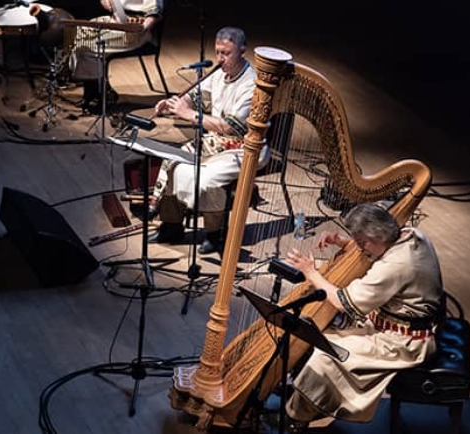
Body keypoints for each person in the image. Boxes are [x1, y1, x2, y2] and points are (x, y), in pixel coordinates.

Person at [281, 202, 444, 431]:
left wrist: (311, 273)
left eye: (359, 241)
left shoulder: (395, 265)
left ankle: (296, 418)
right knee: (313, 331)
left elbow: (342, 302)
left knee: (326, 355)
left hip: (403, 342)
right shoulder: (412, 234)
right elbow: (375, 251)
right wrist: (342, 242)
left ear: (373, 238)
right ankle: (307, 395)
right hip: (389, 324)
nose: (357, 246)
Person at [147, 26, 270, 254]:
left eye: (226, 53)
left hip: (244, 148)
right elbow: (194, 96)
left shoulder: (251, 85)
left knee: (207, 179)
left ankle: (215, 234)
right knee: (173, 161)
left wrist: (189, 114)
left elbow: (230, 126)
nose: (220, 58)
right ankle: (171, 226)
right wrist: (174, 104)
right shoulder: (219, 73)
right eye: (218, 52)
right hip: (218, 141)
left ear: (242, 51)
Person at [70, 0, 164, 114]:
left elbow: (155, 12)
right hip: (115, 21)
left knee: (89, 48)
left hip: (137, 29)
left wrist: (141, 28)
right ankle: (93, 91)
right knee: (78, 37)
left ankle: (103, 94)